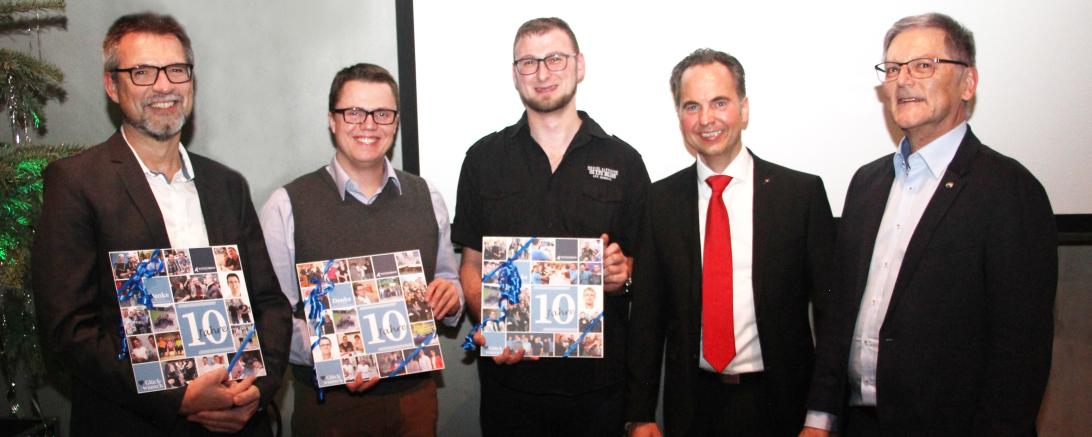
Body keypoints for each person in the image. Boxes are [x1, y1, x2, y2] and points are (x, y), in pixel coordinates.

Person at [31, 13, 292, 435]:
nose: (164, 85)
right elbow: (70, 330)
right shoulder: (76, 182)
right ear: (111, 86)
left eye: (176, 70)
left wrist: (257, 390)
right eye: (142, 72)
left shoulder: (227, 185)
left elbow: (270, 305)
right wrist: (177, 399)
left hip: (241, 422)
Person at [802, 13, 1057, 437]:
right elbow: (841, 315)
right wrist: (820, 418)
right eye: (893, 69)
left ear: (968, 83)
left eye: (923, 66)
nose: (903, 81)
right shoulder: (867, 183)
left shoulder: (1009, 190)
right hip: (858, 425)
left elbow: (1020, 354)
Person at [453, 17, 650, 436]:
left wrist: (624, 272)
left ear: (579, 65)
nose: (542, 73)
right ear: (514, 74)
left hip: (599, 391)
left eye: (555, 59)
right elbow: (470, 263)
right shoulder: (483, 160)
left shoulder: (625, 162)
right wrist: (490, 322)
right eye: (528, 62)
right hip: (511, 389)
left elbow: (644, 264)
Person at [624, 49, 835, 437]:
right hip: (692, 409)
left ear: (744, 108)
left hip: (783, 407)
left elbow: (831, 316)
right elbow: (648, 318)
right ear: (679, 117)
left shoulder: (800, 195)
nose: (706, 119)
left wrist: (822, 416)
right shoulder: (659, 202)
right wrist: (640, 414)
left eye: (720, 102)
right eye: (692, 106)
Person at [259, 63, 463, 437]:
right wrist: (332, 355)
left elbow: (449, 279)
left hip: (416, 401)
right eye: (353, 112)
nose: (369, 125)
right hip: (332, 410)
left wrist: (451, 295)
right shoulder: (286, 206)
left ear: (396, 121)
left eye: (382, 113)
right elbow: (274, 318)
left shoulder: (427, 196)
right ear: (332, 120)